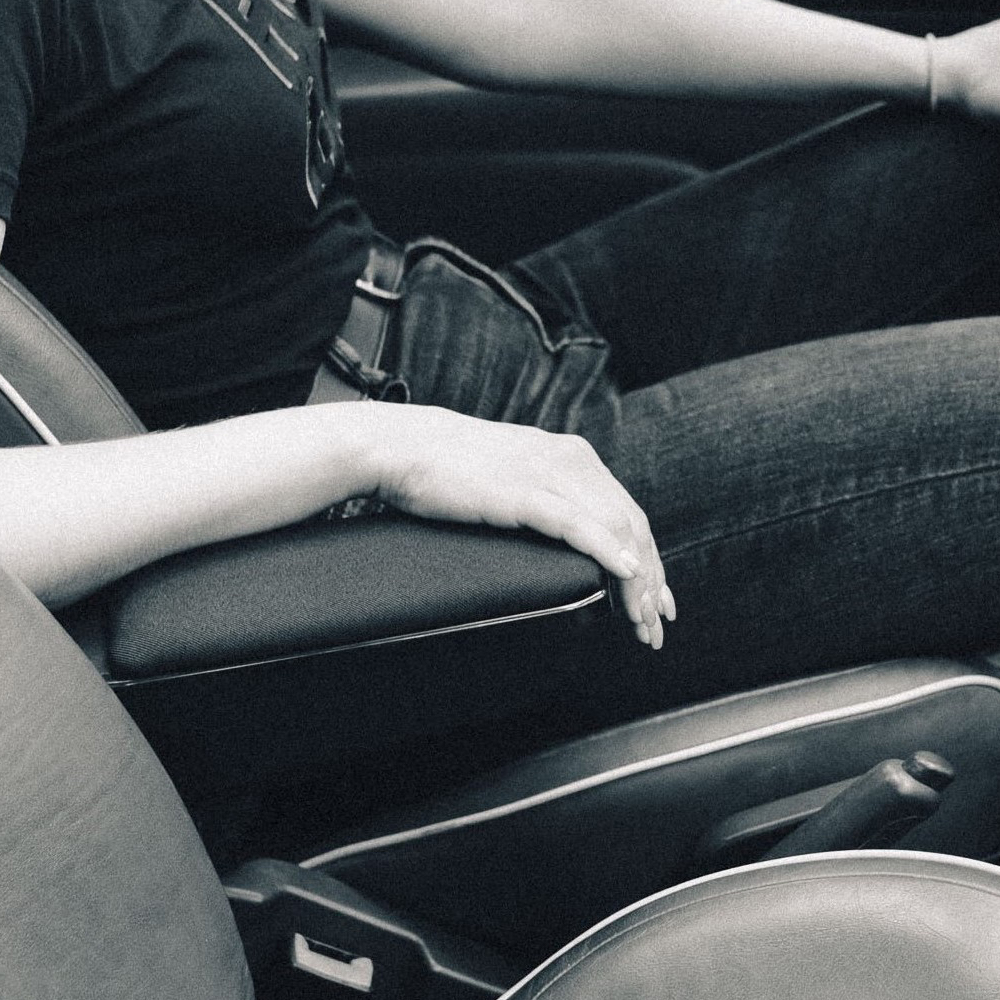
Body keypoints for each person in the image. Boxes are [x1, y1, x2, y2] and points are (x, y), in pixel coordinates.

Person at [4, 0, 1000, 705]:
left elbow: (530, 14)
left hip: (480, 328)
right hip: (416, 530)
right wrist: (375, 448)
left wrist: (937, 68)